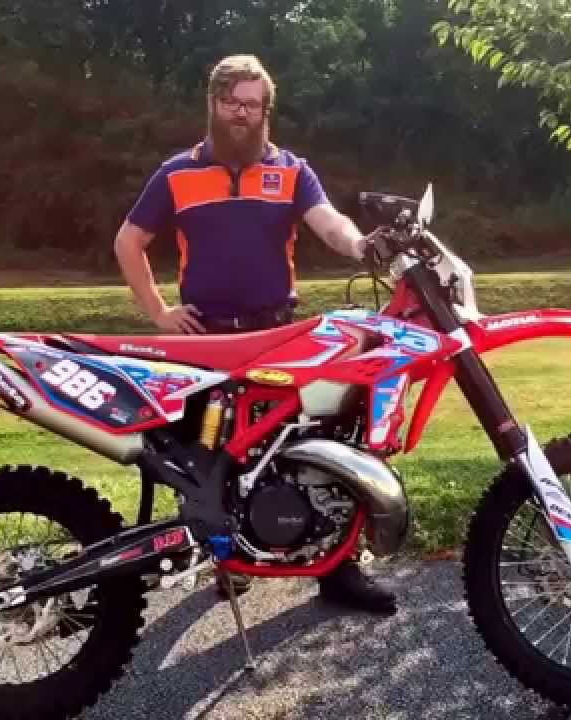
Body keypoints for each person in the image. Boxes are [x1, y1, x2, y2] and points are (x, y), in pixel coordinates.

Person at [112, 54, 397, 616]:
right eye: (232, 102)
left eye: (252, 104)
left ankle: (338, 567)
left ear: (266, 110)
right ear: (213, 104)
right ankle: (230, 561)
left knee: (322, 446)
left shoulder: (292, 171)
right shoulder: (176, 173)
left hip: (277, 333)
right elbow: (129, 241)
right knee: (212, 458)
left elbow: (328, 222)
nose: (242, 113)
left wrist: (361, 245)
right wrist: (160, 313)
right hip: (208, 339)